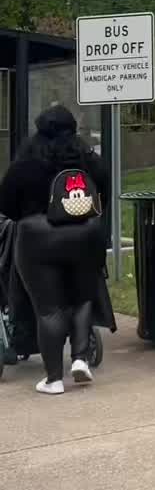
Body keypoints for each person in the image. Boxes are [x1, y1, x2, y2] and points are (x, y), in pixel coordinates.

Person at [0, 105, 112, 395]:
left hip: (38, 239)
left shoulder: (26, 163)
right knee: (83, 297)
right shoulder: (87, 158)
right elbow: (104, 188)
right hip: (85, 235)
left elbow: (7, 205)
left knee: (49, 309)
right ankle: (79, 359)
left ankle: (53, 379)